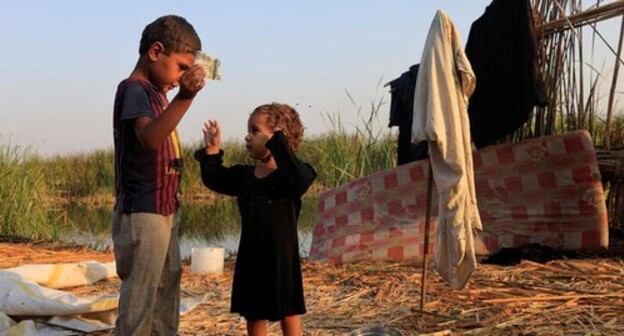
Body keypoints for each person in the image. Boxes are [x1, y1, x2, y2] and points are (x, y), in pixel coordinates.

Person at [112, 15, 206, 335]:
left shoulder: (157, 94)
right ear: (155, 52)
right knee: (142, 290)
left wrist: (176, 98)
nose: (180, 78)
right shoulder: (134, 90)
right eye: (180, 67)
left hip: (165, 206)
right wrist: (185, 98)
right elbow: (150, 138)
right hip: (144, 208)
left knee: (167, 283)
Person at [194, 103, 317, 336]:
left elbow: (302, 179)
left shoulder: (291, 178)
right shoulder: (244, 176)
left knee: (289, 311)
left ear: (279, 136)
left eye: (254, 131)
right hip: (251, 259)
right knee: (254, 314)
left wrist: (276, 143)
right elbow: (215, 179)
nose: (247, 137)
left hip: (282, 260)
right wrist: (212, 150)